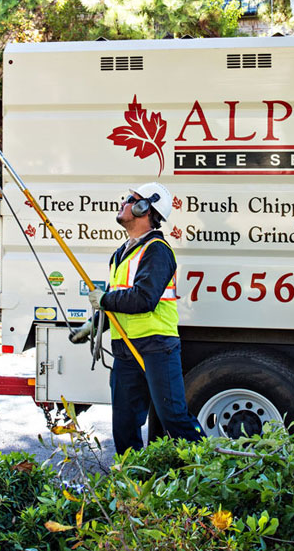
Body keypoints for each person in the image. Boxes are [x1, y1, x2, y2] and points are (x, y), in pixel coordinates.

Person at [70, 182, 204, 454]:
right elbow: (120, 298)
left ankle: (208, 471)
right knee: (124, 424)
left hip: (157, 347)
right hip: (126, 350)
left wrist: (105, 300)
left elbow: (143, 299)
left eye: (129, 199)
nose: (123, 203)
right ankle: (132, 487)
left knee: (174, 419)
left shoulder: (157, 251)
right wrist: (96, 323)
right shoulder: (121, 252)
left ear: (144, 208)